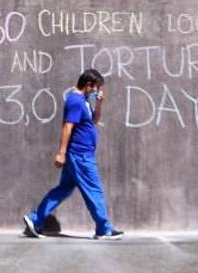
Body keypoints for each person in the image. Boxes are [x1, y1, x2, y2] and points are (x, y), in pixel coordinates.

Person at [22, 69, 123, 240]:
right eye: (97, 88)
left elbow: (94, 121)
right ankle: (104, 229)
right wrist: (61, 153)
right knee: (94, 190)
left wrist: (99, 104)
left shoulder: (83, 101)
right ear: (88, 85)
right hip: (80, 155)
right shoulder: (75, 101)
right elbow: (67, 128)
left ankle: (35, 219)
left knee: (64, 189)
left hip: (80, 155)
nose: (97, 91)